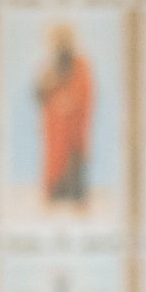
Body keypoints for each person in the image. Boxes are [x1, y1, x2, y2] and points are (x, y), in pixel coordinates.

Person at [35, 22, 93, 208]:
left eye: (62, 39)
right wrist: (50, 91)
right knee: (55, 160)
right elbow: (40, 91)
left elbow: (83, 90)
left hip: (73, 125)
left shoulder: (80, 64)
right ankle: (56, 195)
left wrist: (70, 101)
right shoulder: (51, 66)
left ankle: (75, 195)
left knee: (73, 159)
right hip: (55, 125)